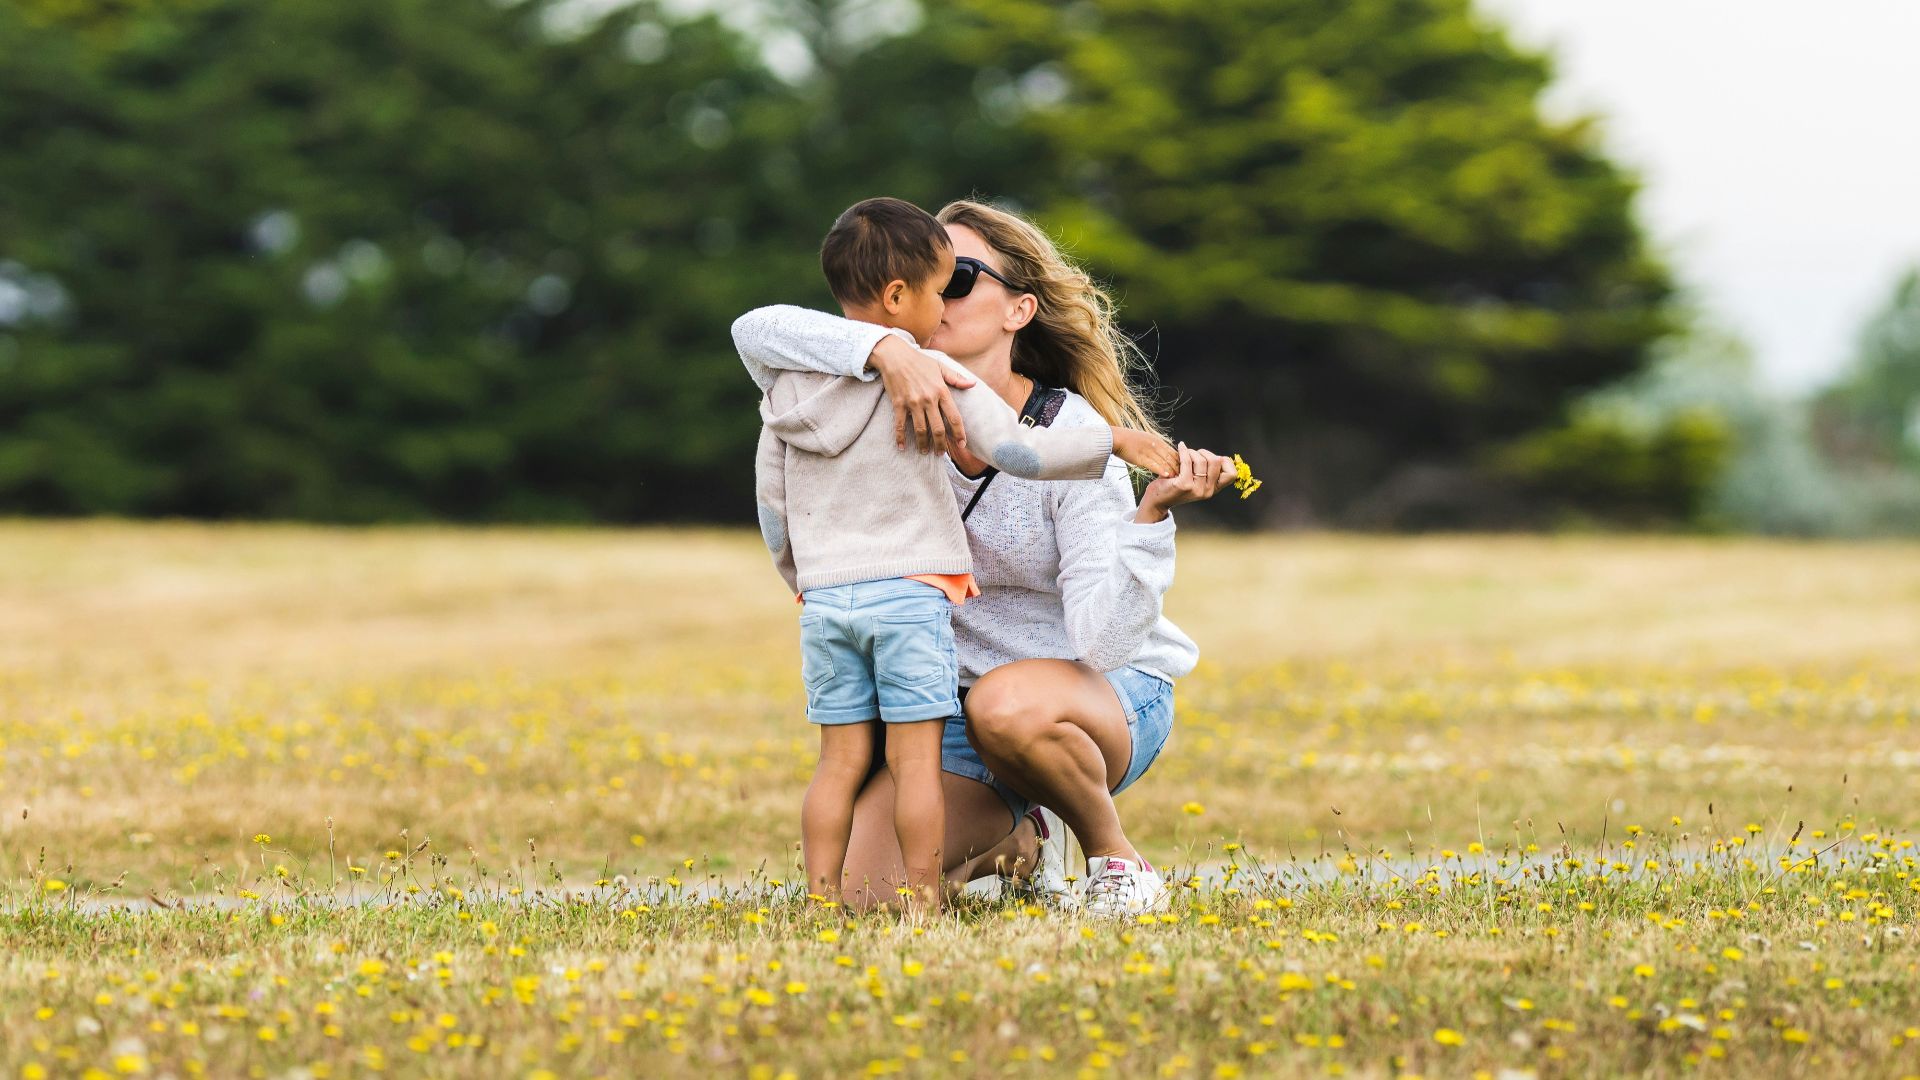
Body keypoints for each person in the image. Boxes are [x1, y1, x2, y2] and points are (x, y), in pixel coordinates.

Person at [734, 199, 1236, 916]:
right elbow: (754, 331)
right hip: (953, 706)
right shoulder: (871, 402)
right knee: (867, 897)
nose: (936, 292)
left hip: (1095, 698)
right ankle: (1020, 844)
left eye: (959, 276)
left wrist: (1149, 518)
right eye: (924, 273)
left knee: (1009, 704)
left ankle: (1113, 857)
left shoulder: (1071, 437)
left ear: (1019, 310)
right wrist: (885, 351)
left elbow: (1103, 643)